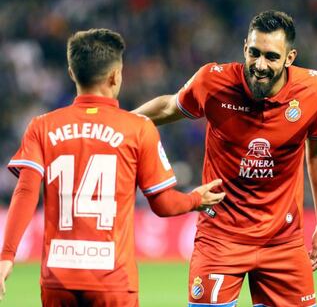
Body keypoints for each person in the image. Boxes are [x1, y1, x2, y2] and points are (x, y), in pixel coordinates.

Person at [0, 28, 225, 306]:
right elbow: (163, 204)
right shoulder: (137, 128)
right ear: (116, 75)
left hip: (57, 279)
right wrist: (195, 199)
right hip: (113, 281)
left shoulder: (42, 126)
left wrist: (7, 255)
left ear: (72, 73)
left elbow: (25, 193)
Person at [133, 10, 317, 307]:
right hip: (220, 237)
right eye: (254, 53)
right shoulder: (213, 82)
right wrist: (116, 121)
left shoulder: (314, 90)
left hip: (283, 240)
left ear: (290, 58)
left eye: (271, 56)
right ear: (244, 47)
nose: (259, 65)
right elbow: (168, 107)